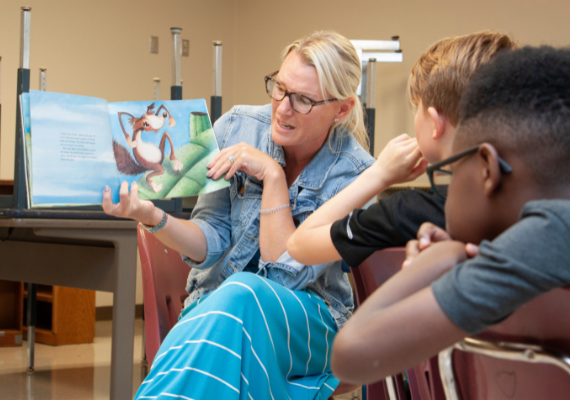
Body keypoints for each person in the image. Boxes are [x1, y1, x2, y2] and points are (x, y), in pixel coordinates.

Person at [103, 31, 376, 399]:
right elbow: (211, 238)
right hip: (219, 305)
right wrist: (153, 216)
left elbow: (285, 277)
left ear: (342, 109)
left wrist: (273, 176)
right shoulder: (237, 126)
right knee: (229, 309)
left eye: (303, 100)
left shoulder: (357, 175)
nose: (282, 108)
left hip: (309, 323)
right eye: (279, 88)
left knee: (242, 294)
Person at [330, 45, 570, 384]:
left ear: (486, 169)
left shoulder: (550, 234)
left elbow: (351, 355)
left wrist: (442, 258)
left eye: (449, 171)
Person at [287, 31, 515, 268]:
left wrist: (380, 174)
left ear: (435, 123)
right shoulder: (536, 198)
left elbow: (299, 245)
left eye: (417, 108)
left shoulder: (408, 212)